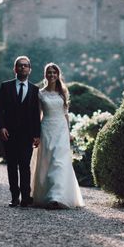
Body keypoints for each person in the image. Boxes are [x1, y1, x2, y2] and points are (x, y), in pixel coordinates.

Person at [31, 63, 84, 208]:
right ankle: (47, 195)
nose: (52, 74)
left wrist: (68, 133)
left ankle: (56, 197)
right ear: (45, 75)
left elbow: (66, 115)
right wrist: (36, 134)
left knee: (59, 162)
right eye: (49, 72)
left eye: (54, 72)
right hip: (47, 129)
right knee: (48, 162)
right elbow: (38, 115)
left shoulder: (63, 93)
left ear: (58, 74)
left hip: (61, 130)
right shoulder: (40, 93)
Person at [0, 56, 41, 207]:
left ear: (30, 69)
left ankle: (26, 197)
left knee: (25, 166)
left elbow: (35, 114)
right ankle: (15, 197)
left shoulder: (35, 90)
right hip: (9, 134)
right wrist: (1, 127)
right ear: (15, 69)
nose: (22, 68)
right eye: (19, 66)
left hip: (27, 135)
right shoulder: (5, 86)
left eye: (25, 66)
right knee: (12, 166)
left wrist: (37, 135)